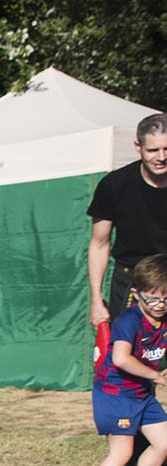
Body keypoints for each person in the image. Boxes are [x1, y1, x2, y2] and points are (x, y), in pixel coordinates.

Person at [79, 254, 167, 466]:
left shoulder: (162, 320)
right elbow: (120, 359)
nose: (160, 305)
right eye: (153, 299)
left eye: (166, 298)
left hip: (141, 394)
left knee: (164, 442)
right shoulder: (129, 321)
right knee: (121, 452)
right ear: (136, 294)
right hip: (115, 395)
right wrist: (157, 376)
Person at [87, 113, 167, 326]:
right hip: (132, 279)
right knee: (124, 353)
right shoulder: (113, 185)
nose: (161, 157)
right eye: (152, 150)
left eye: (166, 149)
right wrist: (96, 300)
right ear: (137, 147)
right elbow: (99, 243)